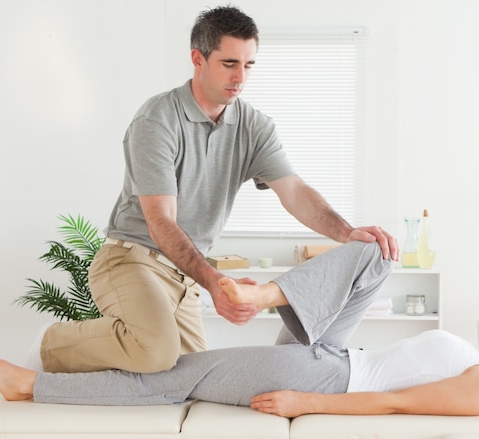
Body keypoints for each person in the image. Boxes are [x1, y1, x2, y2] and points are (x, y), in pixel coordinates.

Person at [33, 5, 398, 375]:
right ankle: (53, 344)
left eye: (249, 65)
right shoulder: (157, 120)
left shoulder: (254, 126)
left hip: (184, 277)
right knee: (156, 353)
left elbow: (293, 191)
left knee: (193, 381)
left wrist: (346, 231)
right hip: (132, 260)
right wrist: (214, 283)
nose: (241, 77)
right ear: (198, 59)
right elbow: (160, 220)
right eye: (229, 63)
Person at [0, 242, 479, 417]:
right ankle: (268, 294)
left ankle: (29, 386)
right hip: (331, 349)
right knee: (377, 256)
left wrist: (303, 403)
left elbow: (392, 402)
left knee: (172, 378)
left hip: (326, 375)